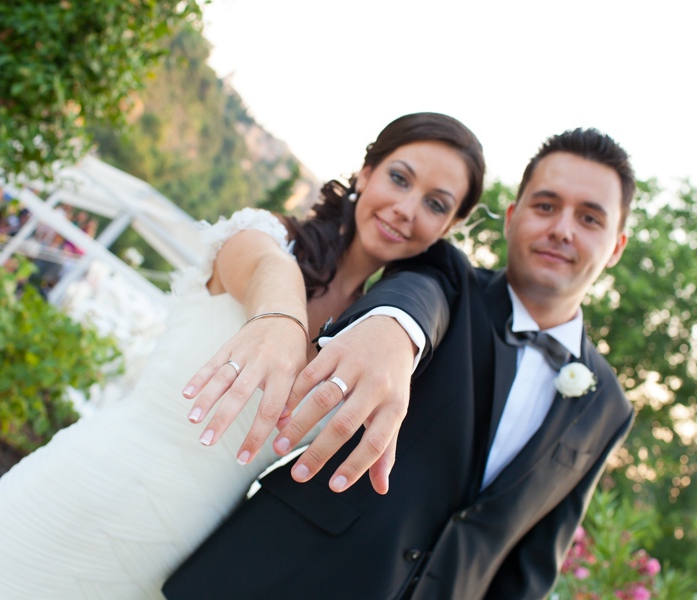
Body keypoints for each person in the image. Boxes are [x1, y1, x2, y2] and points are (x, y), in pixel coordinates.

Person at [0, 112, 485, 600]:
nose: (406, 208)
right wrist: (282, 321)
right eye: (398, 178)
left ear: (450, 228)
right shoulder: (261, 238)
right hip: (85, 485)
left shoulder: (373, 343)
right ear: (366, 173)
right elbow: (267, 271)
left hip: (180, 547)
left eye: (435, 204)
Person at [163, 127, 636, 600]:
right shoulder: (445, 275)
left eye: (590, 218)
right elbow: (413, 299)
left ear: (616, 246)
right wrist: (393, 330)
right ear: (512, 218)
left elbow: (529, 566)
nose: (562, 229)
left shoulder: (609, 409)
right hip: (280, 580)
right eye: (546, 206)